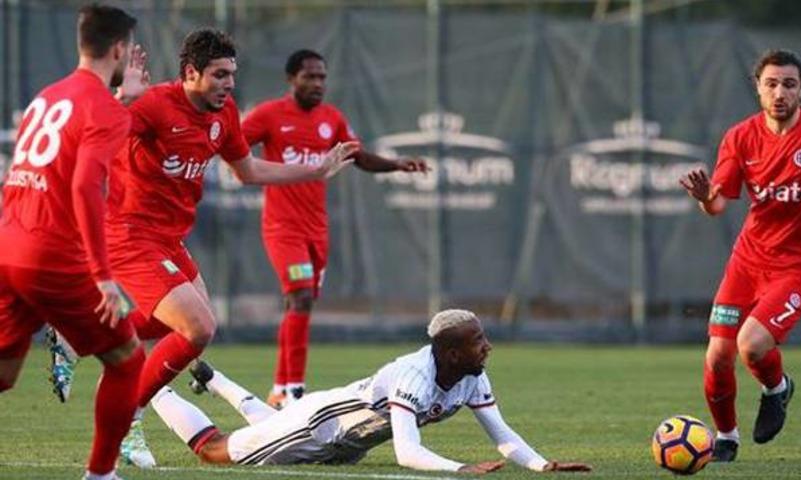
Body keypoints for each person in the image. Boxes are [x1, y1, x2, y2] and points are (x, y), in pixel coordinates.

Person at [47, 29, 358, 469]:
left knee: (180, 325)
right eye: (219, 74)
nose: (229, 84)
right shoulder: (154, 104)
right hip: (127, 233)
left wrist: (314, 171)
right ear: (190, 73)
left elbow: (247, 171)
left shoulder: (223, 112)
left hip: (169, 237)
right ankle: (126, 415)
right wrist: (122, 99)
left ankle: (78, 338)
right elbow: (95, 136)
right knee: (198, 328)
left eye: (232, 74)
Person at [680, 49, 801, 462]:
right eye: (772, 84)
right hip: (749, 259)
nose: (780, 93)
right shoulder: (740, 137)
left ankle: (777, 388)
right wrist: (705, 197)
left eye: (789, 84)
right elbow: (718, 204)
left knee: (751, 344)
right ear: (758, 88)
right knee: (718, 355)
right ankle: (726, 438)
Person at [151, 309, 592, 474]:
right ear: (452, 353)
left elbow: (502, 433)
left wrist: (542, 465)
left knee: (270, 426)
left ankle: (212, 378)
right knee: (214, 451)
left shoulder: (472, 374)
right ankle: (149, 387)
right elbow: (407, 453)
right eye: (479, 341)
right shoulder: (413, 376)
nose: (488, 346)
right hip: (317, 428)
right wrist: (461, 469)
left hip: (345, 442)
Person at [0, 5, 149, 479]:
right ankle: (100, 475)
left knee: (4, 375)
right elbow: (85, 185)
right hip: (49, 256)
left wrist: (122, 100)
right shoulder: (104, 108)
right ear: (120, 48)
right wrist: (103, 276)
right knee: (127, 360)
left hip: (8, 245)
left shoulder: (47, 96)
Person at [241, 49, 428, 408]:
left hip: (317, 230)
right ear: (291, 79)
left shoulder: (331, 119)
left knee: (300, 305)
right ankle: (295, 391)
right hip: (283, 228)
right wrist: (241, 166)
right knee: (300, 297)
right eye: (309, 76)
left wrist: (396, 164)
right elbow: (233, 144)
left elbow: (359, 157)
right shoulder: (269, 115)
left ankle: (279, 387)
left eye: (322, 77)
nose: (317, 83)